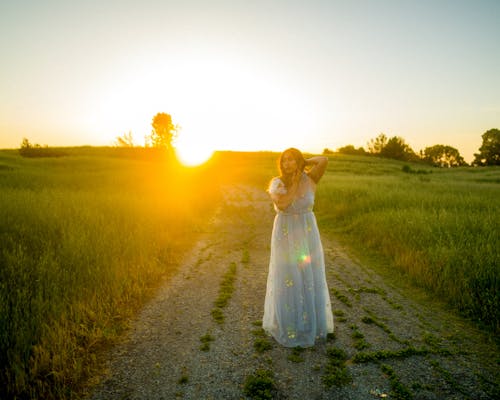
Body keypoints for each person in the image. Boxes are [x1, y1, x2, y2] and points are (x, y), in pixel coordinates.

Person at [263, 148, 334, 347]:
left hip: (307, 232)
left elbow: (324, 160)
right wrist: (293, 181)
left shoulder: (311, 178)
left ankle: (310, 324)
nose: (287, 163)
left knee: (308, 275)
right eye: (284, 160)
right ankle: (288, 326)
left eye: (291, 160)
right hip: (285, 233)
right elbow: (284, 205)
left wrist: (304, 163)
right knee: (288, 276)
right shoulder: (277, 183)